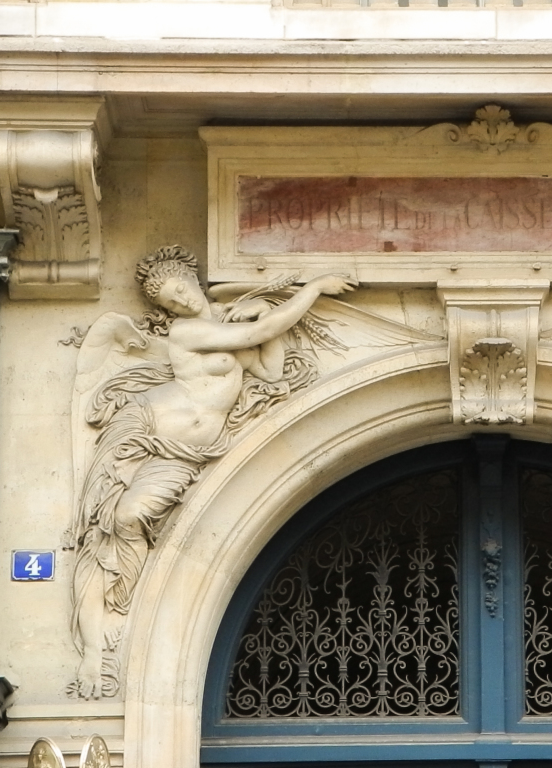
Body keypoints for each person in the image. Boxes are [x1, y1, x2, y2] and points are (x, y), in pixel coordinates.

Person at [71, 246, 356, 698]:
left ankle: (110, 623)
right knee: (113, 526)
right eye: (168, 303)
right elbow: (260, 332)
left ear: (192, 278)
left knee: (126, 519)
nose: (180, 303)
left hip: (185, 451)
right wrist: (314, 290)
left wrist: (261, 310)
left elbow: (270, 366)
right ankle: (99, 644)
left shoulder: (226, 327)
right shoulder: (187, 332)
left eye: (180, 290)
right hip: (145, 431)